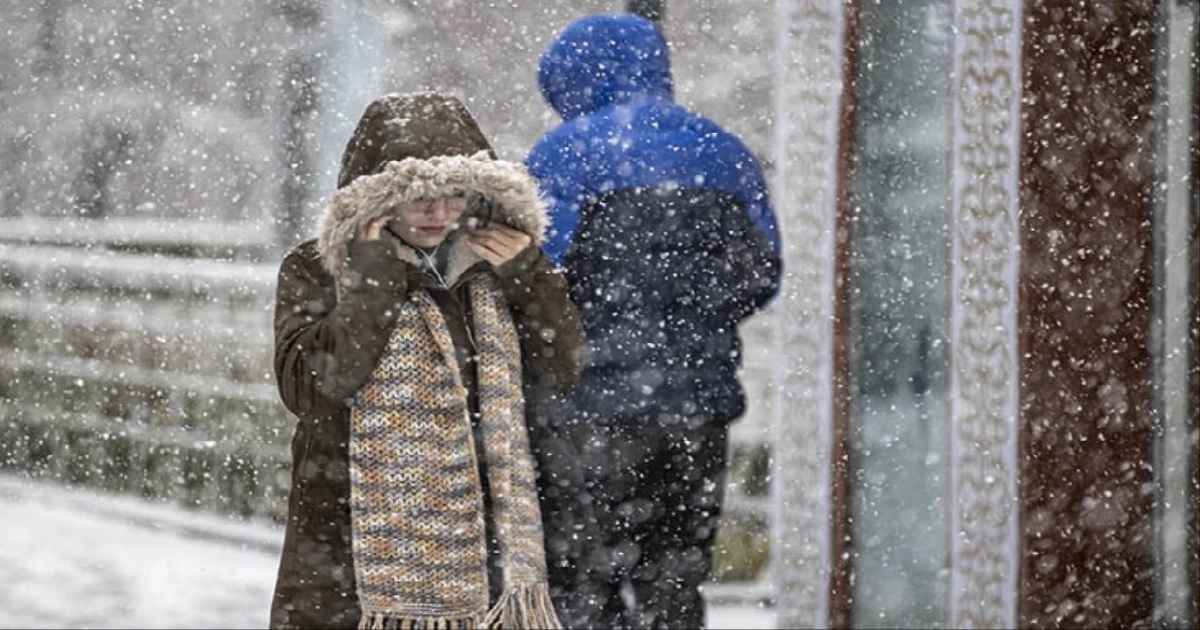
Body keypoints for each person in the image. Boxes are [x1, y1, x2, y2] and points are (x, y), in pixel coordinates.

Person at [268, 91, 585, 629]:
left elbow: (563, 367)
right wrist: (372, 281)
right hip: (349, 544)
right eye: (420, 199)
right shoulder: (318, 268)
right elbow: (312, 390)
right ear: (376, 199)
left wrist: (530, 276)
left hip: (482, 542)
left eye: (455, 194)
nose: (440, 213)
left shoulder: (497, 262)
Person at [525, 13, 783, 630]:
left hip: (588, 409)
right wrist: (687, 325)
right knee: (675, 577)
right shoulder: (724, 153)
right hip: (697, 405)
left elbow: (537, 280)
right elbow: (760, 276)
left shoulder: (564, 155)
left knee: (584, 580)